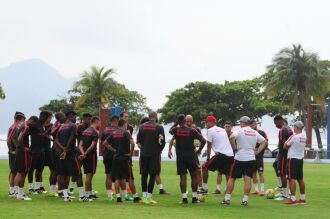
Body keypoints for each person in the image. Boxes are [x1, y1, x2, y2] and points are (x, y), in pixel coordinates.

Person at [222, 116, 267, 206]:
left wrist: (235, 148)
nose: (239, 124)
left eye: (240, 122)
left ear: (243, 123)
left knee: (232, 178)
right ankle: (245, 200)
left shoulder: (240, 130)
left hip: (240, 158)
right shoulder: (254, 132)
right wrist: (257, 151)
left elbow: (231, 137)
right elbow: (264, 142)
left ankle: (227, 199)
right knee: (247, 179)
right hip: (251, 158)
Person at [168, 115, 206, 204]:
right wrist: (199, 150)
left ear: (179, 121)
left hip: (180, 158)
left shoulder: (176, 130)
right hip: (191, 157)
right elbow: (203, 141)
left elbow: (170, 130)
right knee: (194, 176)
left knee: (183, 177)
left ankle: (184, 198)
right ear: (185, 120)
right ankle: (194, 198)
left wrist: (177, 122)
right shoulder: (192, 130)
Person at [55, 111, 89, 202]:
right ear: (71, 116)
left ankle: (65, 196)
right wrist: (66, 149)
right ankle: (82, 197)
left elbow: (56, 140)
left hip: (62, 153)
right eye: (75, 117)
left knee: (63, 174)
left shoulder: (61, 127)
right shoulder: (73, 126)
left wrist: (63, 149)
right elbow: (72, 137)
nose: (75, 119)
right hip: (71, 154)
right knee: (78, 174)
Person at [106, 119, 140, 203]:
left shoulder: (113, 133)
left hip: (116, 158)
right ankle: (135, 197)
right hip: (125, 158)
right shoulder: (126, 133)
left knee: (117, 178)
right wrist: (131, 153)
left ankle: (118, 197)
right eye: (126, 124)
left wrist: (114, 150)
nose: (127, 126)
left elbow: (105, 143)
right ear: (124, 124)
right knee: (130, 178)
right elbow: (132, 143)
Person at [137, 111, 165, 204]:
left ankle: (144, 197)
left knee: (144, 175)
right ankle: (149, 198)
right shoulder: (159, 127)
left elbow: (139, 142)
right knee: (153, 175)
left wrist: (144, 148)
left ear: (149, 117)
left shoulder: (141, 127)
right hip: (154, 155)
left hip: (144, 154)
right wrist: (159, 150)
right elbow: (162, 141)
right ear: (156, 117)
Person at [202, 116, 234, 196]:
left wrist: (208, 159)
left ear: (213, 122)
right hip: (230, 155)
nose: (206, 124)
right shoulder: (222, 129)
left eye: (207, 122)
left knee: (204, 167)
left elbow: (209, 146)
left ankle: (204, 188)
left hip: (221, 154)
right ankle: (228, 191)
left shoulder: (210, 130)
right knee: (226, 173)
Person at [14, 116, 39, 201]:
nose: (34, 125)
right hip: (23, 153)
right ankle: (20, 195)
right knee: (23, 172)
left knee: (19, 172)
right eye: (34, 123)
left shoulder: (21, 125)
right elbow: (20, 138)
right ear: (31, 120)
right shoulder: (25, 127)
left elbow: (16, 138)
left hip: (18, 152)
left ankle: (17, 193)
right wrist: (23, 148)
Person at [28, 111, 53, 194]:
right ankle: (31, 188)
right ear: (43, 117)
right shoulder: (34, 125)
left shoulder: (42, 126)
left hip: (42, 151)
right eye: (47, 117)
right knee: (31, 169)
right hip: (34, 151)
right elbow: (26, 126)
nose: (47, 119)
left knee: (39, 170)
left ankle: (38, 188)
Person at [284, 121, 306, 205]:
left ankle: (293, 199)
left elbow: (285, 145)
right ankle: (302, 198)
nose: (293, 128)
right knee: (300, 178)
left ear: (297, 127)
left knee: (291, 178)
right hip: (300, 158)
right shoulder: (304, 136)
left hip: (292, 159)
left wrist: (287, 146)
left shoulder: (294, 136)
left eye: (294, 127)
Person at [70, 113, 92, 195]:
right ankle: (71, 187)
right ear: (84, 119)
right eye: (88, 119)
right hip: (79, 151)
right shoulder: (79, 127)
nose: (89, 121)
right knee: (77, 170)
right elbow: (74, 137)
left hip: (88, 152)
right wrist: (75, 147)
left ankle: (89, 190)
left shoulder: (91, 127)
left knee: (89, 172)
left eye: (90, 119)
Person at [79, 116, 100, 200]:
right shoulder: (95, 132)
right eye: (100, 122)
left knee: (88, 174)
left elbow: (80, 144)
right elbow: (92, 146)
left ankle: (90, 193)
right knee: (89, 175)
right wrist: (86, 154)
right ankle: (87, 195)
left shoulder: (85, 131)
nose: (100, 124)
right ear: (96, 122)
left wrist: (83, 153)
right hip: (91, 156)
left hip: (84, 155)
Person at [273, 115, 293, 201]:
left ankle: (284, 194)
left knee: (282, 173)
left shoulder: (282, 130)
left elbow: (284, 143)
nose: (275, 125)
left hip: (283, 154)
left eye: (275, 123)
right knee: (285, 173)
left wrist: (282, 149)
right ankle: (286, 192)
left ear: (279, 121)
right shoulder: (289, 128)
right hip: (289, 154)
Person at [7, 112, 25, 197]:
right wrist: (12, 150)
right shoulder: (13, 127)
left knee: (14, 171)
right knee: (14, 171)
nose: (23, 122)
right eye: (23, 120)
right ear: (19, 119)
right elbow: (9, 139)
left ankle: (13, 190)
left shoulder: (16, 127)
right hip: (14, 152)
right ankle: (12, 191)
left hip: (16, 151)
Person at [101, 115, 119, 200]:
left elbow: (102, 143)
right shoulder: (117, 130)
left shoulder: (105, 130)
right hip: (116, 155)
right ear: (115, 121)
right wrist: (115, 150)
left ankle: (109, 195)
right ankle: (118, 195)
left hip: (107, 155)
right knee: (117, 176)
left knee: (108, 175)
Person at [48, 112, 66, 197]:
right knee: (58, 171)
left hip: (53, 149)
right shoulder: (59, 125)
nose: (64, 117)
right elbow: (54, 136)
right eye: (63, 116)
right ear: (59, 117)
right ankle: (60, 191)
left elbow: (48, 134)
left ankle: (52, 190)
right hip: (57, 150)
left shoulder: (55, 124)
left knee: (54, 171)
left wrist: (53, 140)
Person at [250, 120, 268, 195]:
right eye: (251, 125)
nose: (252, 126)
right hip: (251, 156)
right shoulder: (249, 133)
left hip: (259, 156)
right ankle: (256, 190)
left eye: (253, 125)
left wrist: (260, 149)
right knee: (253, 173)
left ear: (256, 125)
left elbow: (266, 143)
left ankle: (262, 190)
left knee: (260, 172)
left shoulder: (262, 132)